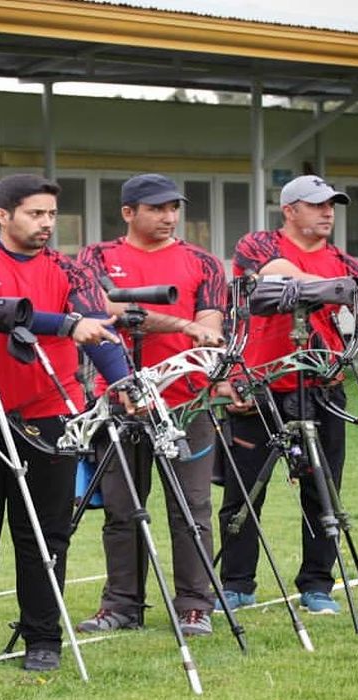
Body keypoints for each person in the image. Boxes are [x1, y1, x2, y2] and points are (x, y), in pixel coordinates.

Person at [0, 174, 126, 672]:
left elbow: (95, 329)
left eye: (52, 215)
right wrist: (61, 323)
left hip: (50, 414)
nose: (46, 224)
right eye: (35, 214)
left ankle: (43, 639)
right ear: (3, 215)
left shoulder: (70, 267)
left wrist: (123, 383)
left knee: (43, 534)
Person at [216, 175, 358, 615]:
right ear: (290, 210)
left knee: (323, 490)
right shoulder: (259, 245)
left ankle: (317, 585)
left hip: (323, 389)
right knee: (243, 492)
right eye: (316, 205)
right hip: (258, 387)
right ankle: (237, 584)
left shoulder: (347, 264)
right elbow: (282, 275)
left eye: (332, 205)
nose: (328, 212)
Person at [76, 173, 231, 638]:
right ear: (128, 212)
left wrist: (197, 334)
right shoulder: (95, 258)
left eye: (173, 208)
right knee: (122, 511)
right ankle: (122, 605)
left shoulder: (202, 261)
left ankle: (194, 606)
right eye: (157, 208)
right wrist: (182, 325)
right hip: (120, 402)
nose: (168, 217)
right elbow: (105, 310)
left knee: (192, 510)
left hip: (186, 406)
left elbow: (210, 326)